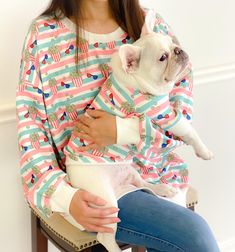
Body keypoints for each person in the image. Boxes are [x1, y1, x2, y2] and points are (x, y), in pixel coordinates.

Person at [16, 0, 220, 251]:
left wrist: (123, 131)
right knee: (194, 235)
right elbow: (31, 131)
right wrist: (65, 197)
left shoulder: (150, 25)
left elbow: (181, 121)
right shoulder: (44, 35)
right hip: (91, 181)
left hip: (156, 171)